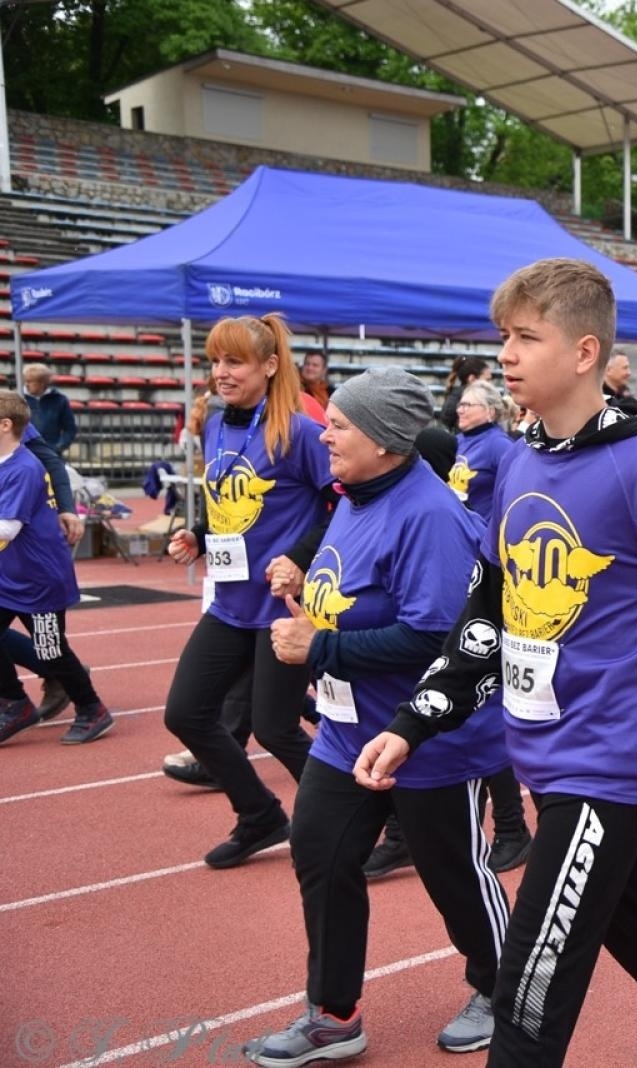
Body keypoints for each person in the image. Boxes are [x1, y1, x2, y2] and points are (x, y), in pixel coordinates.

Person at [351, 258, 637, 1067]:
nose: (504, 354)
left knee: (529, 988)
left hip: (612, 758)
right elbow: (486, 615)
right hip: (543, 745)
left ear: (583, 352)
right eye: (502, 336)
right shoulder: (515, 462)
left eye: (525, 337)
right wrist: (413, 723)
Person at [241, 368, 511, 1066]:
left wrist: (320, 644)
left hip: (430, 738)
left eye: (341, 424)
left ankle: (503, 985)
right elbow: (362, 587)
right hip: (345, 731)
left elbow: (442, 637)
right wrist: (306, 581)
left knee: (452, 875)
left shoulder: (430, 516)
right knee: (321, 856)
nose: (323, 433)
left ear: (388, 443)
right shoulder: (356, 495)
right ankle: (334, 1015)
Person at [164, 313, 335, 868]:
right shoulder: (216, 424)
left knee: (276, 728)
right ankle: (261, 815)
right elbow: (229, 501)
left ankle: (357, 817)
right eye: (215, 361)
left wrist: (299, 558)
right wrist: (198, 533)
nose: (221, 372)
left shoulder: (300, 431)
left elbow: (346, 505)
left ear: (268, 365)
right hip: (231, 600)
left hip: (281, 607)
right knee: (186, 713)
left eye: (234, 361)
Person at [364, 415, 533, 880]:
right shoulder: (403, 507)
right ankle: (403, 835)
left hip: (472, 645)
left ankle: (513, 829)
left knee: (482, 727)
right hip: (455, 649)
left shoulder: (441, 516)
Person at [0, 391, 113, 745]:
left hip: (39, 580)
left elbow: (6, 529)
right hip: (9, 575)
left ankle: (92, 708)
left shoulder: (23, 468)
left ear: (5, 426)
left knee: (52, 649)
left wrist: (66, 507)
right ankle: (15, 702)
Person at [448, 380, 517, 522]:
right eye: (460, 405)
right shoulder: (459, 439)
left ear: (490, 411)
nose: (460, 410)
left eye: (467, 405)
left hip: (481, 532)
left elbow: (517, 491)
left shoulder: (499, 444)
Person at [21, 364, 76, 454]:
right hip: (24, 452)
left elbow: (70, 429)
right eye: (26, 381)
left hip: (50, 453)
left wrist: (59, 447)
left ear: (42, 383)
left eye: (30, 381)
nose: (26, 384)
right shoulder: (18, 398)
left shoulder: (59, 400)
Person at [440, 356, 493, 432]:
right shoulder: (460, 400)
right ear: (472, 379)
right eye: (487, 380)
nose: (490, 384)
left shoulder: (456, 396)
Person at [603, 351, 637, 417]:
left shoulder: (625, 399)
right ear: (608, 370)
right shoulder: (600, 401)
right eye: (625, 368)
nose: (629, 373)